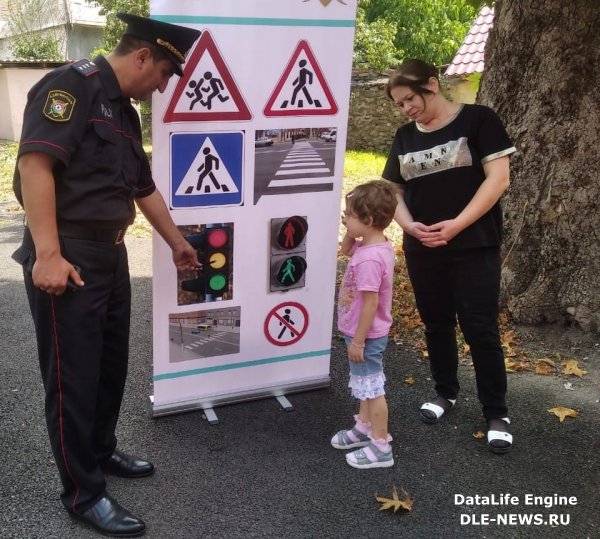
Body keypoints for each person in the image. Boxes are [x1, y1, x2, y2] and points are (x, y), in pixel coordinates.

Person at [11, 13, 201, 537]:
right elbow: (35, 165)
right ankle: (83, 492)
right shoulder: (71, 86)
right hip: (68, 255)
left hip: (111, 255)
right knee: (73, 376)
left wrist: (178, 242)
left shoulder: (124, 111)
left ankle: (98, 452)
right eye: (164, 74)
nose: (163, 86)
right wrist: (47, 254)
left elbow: (142, 187)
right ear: (142, 56)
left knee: (108, 365)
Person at [381, 59, 517, 454]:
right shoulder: (404, 136)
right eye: (400, 104)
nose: (407, 108)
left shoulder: (478, 120)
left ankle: (496, 413)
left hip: (474, 245)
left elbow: (499, 178)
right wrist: (408, 226)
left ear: (432, 84)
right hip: (423, 248)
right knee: (436, 323)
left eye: (410, 98)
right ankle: (445, 394)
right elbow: (394, 192)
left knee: (480, 329)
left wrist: (457, 224)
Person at [331, 180, 398, 469]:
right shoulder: (374, 245)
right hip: (361, 331)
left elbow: (370, 304)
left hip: (365, 334)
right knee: (364, 384)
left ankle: (381, 446)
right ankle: (364, 427)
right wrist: (350, 230)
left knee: (372, 388)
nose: (345, 217)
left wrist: (358, 341)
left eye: (351, 215)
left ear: (368, 221)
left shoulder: (370, 260)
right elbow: (346, 250)